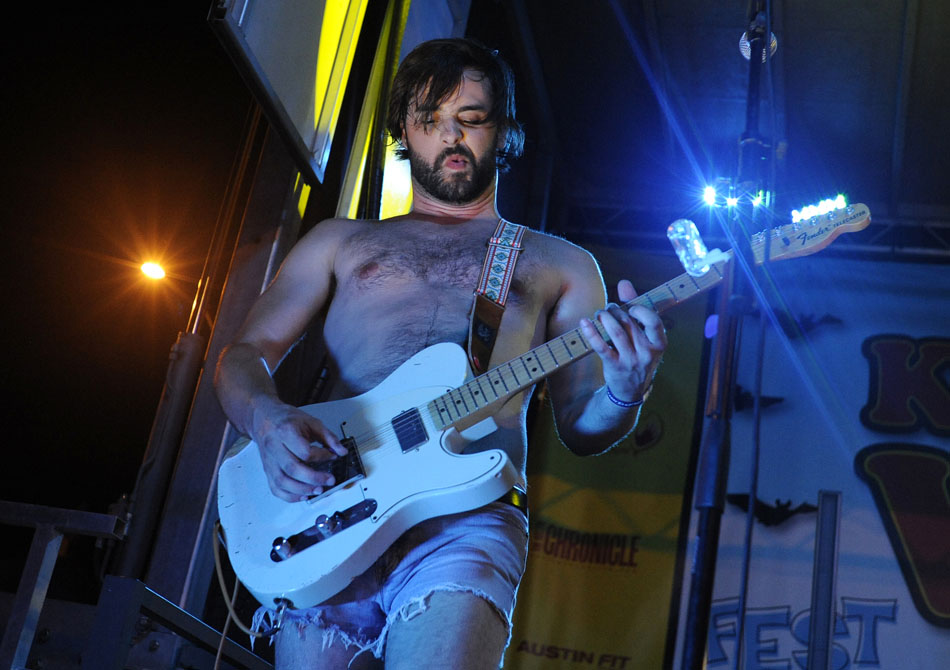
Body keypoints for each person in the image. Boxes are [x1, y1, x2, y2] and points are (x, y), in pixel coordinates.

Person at [214, 38, 666, 669]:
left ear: (503, 131)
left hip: (466, 517)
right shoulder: (341, 241)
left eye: (472, 120)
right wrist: (265, 419)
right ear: (404, 128)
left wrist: (625, 388)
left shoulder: (560, 263)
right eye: (430, 121)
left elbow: (584, 427)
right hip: (330, 505)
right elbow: (241, 357)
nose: (451, 138)